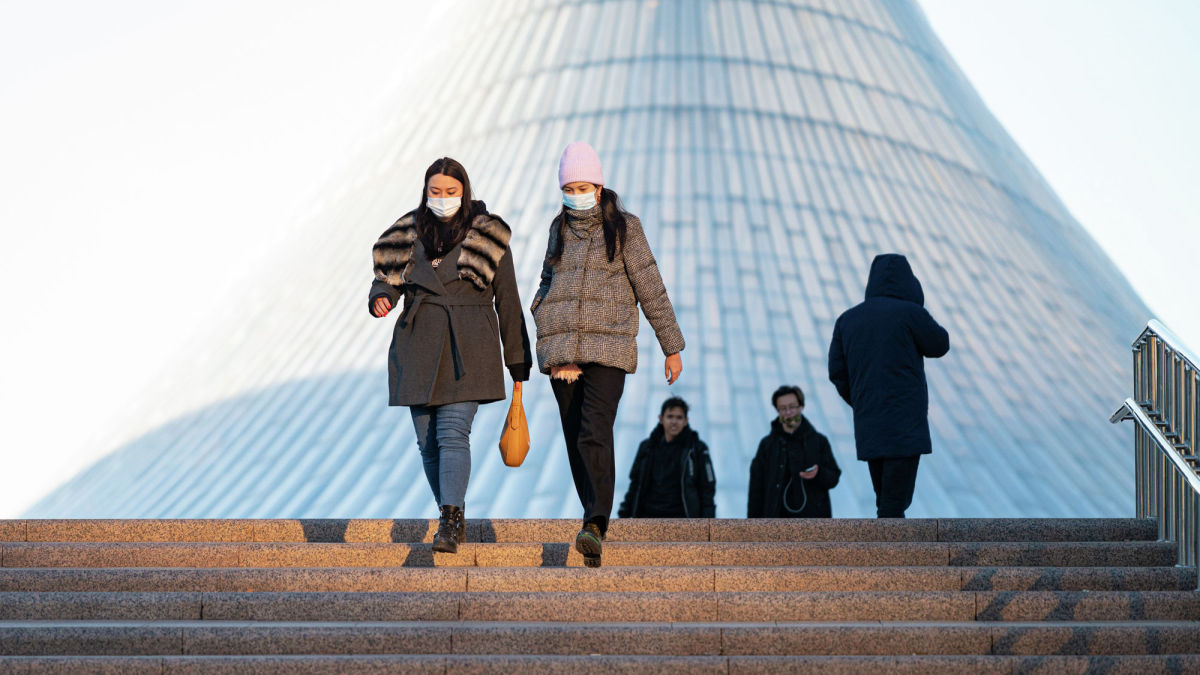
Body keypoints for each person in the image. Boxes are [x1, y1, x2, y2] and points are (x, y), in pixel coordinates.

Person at [531, 141, 685, 567]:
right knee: (573, 437)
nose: (576, 193)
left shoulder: (625, 228)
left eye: (584, 185)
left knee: (593, 429)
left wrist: (671, 346)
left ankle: (596, 521)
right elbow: (546, 280)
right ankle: (590, 521)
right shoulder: (557, 228)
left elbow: (649, 285)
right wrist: (541, 316)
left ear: (599, 187)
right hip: (563, 351)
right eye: (569, 186)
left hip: (609, 346)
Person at [369, 157, 532, 553]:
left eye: (451, 192)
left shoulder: (487, 235)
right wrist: (381, 298)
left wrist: (518, 362)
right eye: (435, 192)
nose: (442, 199)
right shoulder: (407, 233)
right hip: (418, 346)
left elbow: (507, 298)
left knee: (452, 433)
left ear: (465, 192)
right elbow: (387, 280)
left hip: (468, 346)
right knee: (428, 445)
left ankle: (449, 518)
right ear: (426, 192)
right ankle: (452, 510)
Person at [828, 253, 950, 518]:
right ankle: (888, 554)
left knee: (885, 495)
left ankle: (887, 550)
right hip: (905, 421)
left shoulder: (847, 320)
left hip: (870, 421)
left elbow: (837, 372)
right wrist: (917, 304)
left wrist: (862, 399)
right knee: (895, 500)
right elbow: (940, 344)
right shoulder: (909, 313)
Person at [748, 386, 840, 518]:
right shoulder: (767, 445)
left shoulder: (819, 441)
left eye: (792, 407)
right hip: (775, 524)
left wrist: (818, 473)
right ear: (778, 411)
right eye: (783, 408)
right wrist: (752, 527)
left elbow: (834, 477)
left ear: (801, 407)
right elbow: (756, 489)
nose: (788, 412)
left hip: (812, 526)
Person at [617, 397, 716, 519]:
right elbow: (635, 483)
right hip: (647, 518)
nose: (674, 421)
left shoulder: (697, 449)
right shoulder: (647, 447)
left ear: (686, 421)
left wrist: (708, 524)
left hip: (683, 521)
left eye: (679, 417)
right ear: (661, 419)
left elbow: (707, 490)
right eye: (670, 416)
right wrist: (624, 514)